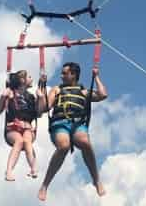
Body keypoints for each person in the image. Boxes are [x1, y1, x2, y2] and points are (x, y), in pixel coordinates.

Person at [36, 62, 108, 201]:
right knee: (64, 146)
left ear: (73, 75)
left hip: (77, 124)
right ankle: (45, 185)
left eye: (64, 73)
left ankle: (96, 180)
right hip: (60, 124)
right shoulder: (56, 90)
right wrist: (41, 89)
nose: (61, 76)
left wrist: (96, 77)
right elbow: (44, 108)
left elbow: (103, 95)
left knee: (84, 142)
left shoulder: (84, 91)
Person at [0, 70, 39, 181]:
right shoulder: (10, 93)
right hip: (12, 128)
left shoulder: (31, 97)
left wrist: (41, 98)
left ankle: (33, 168)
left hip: (27, 127)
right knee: (19, 141)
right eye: (29, 76)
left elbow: (39, 113)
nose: (31, 78)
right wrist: (3, 97)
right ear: (22, 80)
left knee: (27, 141)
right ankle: (9, 171)